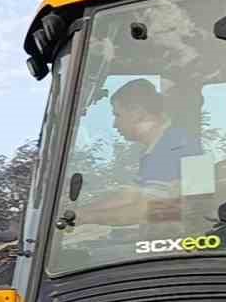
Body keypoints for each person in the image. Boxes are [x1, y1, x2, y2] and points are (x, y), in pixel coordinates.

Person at [85, 79, 202, 225]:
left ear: (137, 113)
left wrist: (87, 218)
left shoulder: (177, 147)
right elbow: (128, 198)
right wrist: (80, 213)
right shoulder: (159, 147)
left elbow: (148, 211)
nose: (114, 124)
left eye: (118, 115)